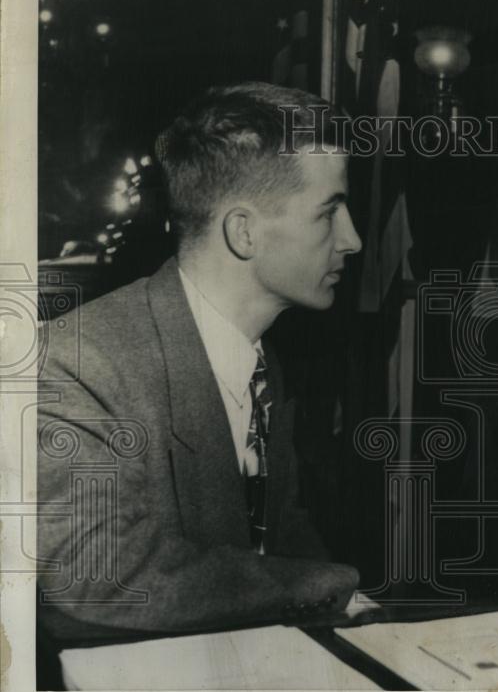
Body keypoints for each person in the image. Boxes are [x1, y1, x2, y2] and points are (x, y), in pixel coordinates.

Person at [37, 82, 363, 639]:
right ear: (243, 232)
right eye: (328, 213)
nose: (352, 239)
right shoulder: (78, 361)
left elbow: (278, 537)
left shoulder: (261, 360)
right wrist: (330, 585)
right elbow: (90, 574)